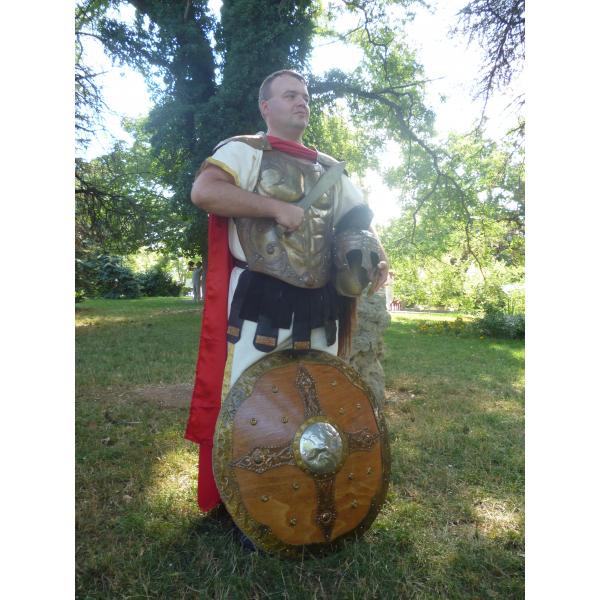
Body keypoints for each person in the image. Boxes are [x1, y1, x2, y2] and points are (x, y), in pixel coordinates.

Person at [184, 69, 389, 514]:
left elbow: (359, 221)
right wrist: (274, 207)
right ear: (266, 107)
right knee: (251, 399)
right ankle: (244, 506)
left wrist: (378, 254)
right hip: (260, 298)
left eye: (305, 97)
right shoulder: (243, 151)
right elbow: (205, 192)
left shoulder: (330, 169)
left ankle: (299, 502)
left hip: (322, 302)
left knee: (318, 397)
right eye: (290, 95)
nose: (301, 102)